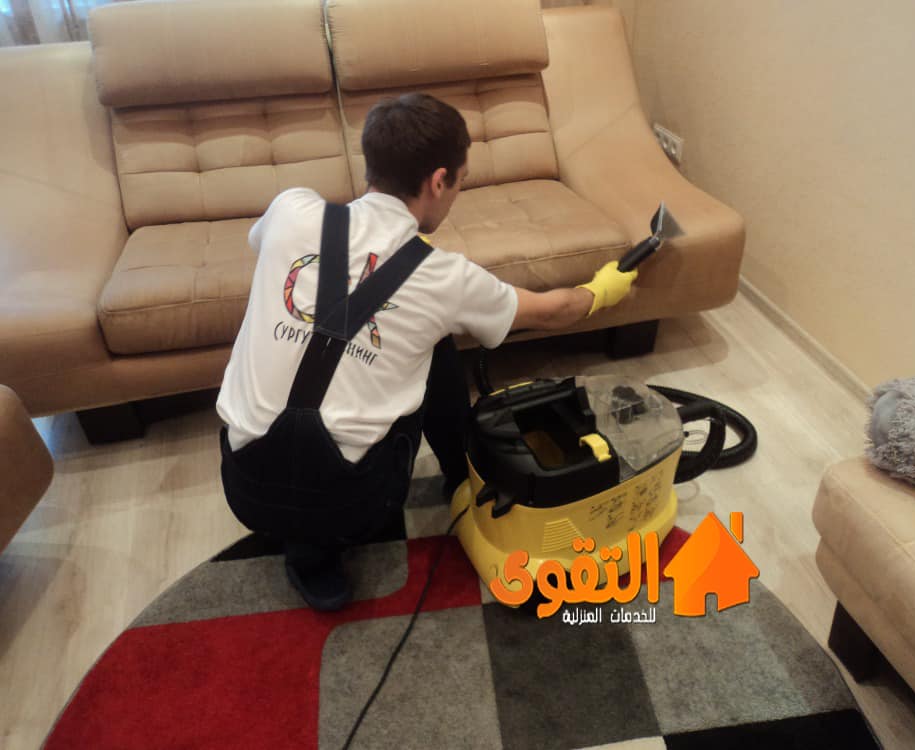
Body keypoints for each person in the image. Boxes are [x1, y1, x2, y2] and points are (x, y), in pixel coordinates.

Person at [216, 93, 638, 611]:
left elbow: (266, 250)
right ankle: (461, 475)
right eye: (460, 182)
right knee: (436, 334)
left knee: (392, 337)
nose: (456, 194)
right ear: (438, 181)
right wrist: (605, 288)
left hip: (245, 487)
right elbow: (553, 311)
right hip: (354, 506)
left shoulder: (290, 209)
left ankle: (309, 558)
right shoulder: (444, 277)